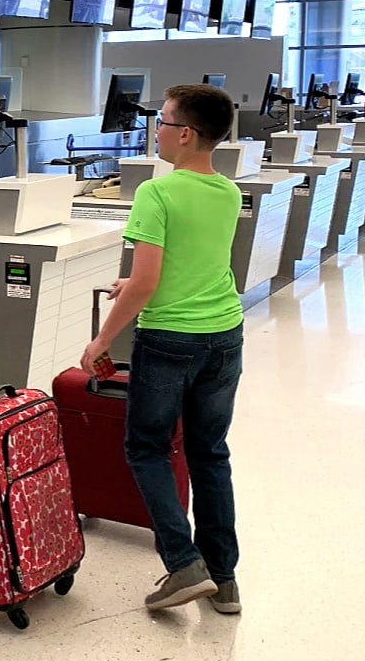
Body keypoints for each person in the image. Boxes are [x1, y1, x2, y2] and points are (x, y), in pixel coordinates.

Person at [81, 83, 244, 615]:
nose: (157, 128)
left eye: (164, 120)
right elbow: (194, 266)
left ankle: (183, 563)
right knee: (209, 453)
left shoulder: (157, 192)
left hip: (170, 339)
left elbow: (149, 283)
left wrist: (103, 339)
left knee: (147, 448)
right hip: (224, 335)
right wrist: (130, 285)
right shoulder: (227, 191)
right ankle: (223, 579)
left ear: (186, 134)